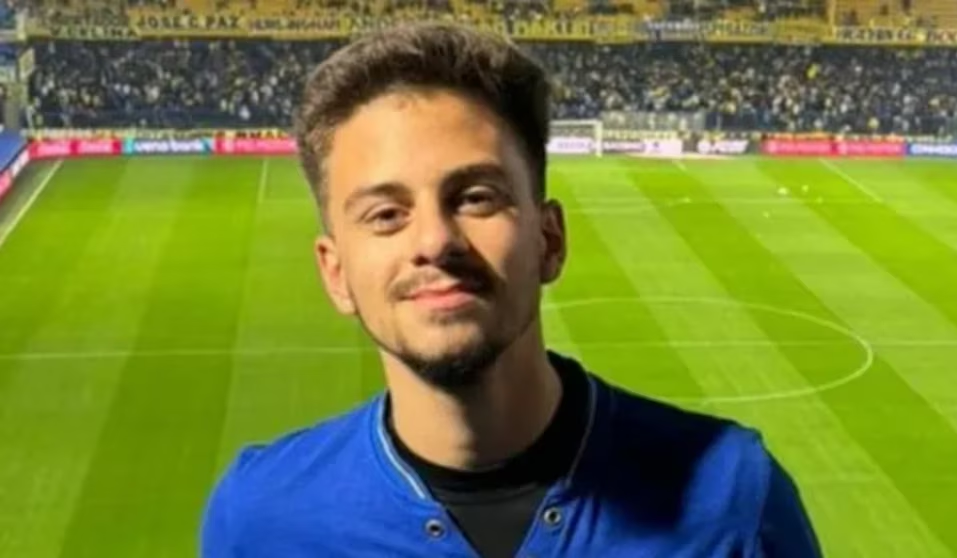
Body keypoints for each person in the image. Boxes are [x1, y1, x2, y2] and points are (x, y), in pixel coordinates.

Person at [200, 22, 822, 558]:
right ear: (335, 273)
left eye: (475, 197)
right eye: (386, 214)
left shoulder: (731, 498)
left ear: (549, 240)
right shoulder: (261, 520)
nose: (435, 240)